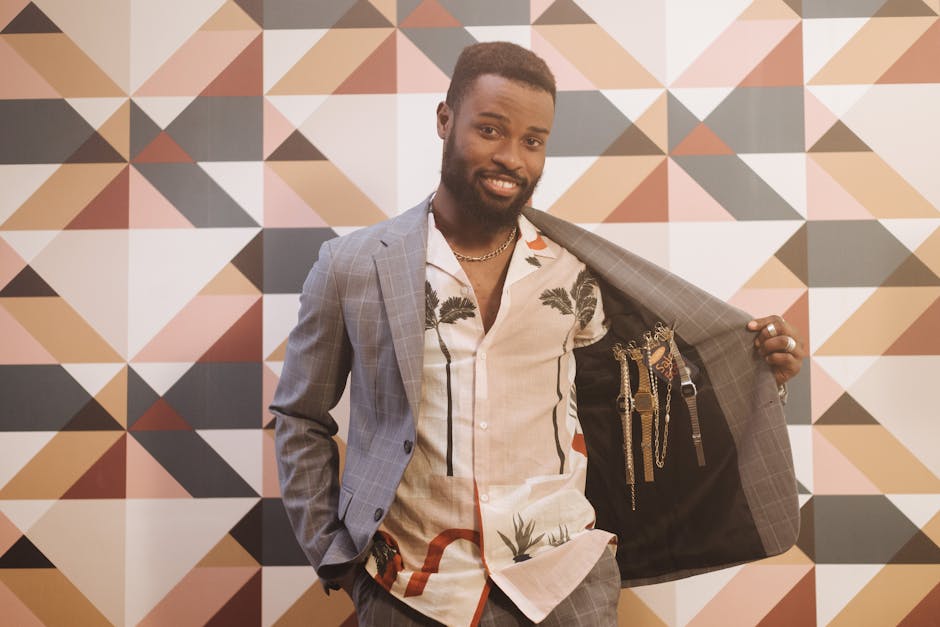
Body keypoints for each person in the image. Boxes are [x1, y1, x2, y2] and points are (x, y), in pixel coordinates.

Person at [272, 42, 805, 626]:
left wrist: (756, 370)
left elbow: (638, 397)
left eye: (533, 141)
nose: (512, 158)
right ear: (445, 120)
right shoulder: (351, 266)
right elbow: (300, 415)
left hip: (564, 584)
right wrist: (333, 553)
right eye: (491, 130)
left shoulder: (574, 271)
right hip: (412, 589)